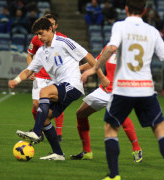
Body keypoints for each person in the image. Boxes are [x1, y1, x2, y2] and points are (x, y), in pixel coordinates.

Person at [81, 0, 164, 179]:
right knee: (160, 129)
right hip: (146, 89)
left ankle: (114, 175)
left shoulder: (120, 26)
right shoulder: (152, 31)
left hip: (123, 89)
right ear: (144, 11)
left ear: (126, 9)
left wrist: (93, 68)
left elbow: (111, 48)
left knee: (111, 128)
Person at [9, 17, 109, 160]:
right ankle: (58, 153)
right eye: (37, 34)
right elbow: (28, 71)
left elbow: (89, 57)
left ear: (50, 29)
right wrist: (16, 80)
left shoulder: (64, 42)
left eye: (41, 33)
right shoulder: (42, 52)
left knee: (44, 92)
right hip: (62, 86)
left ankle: (36, 133)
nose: (39, 37)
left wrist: (102, 77)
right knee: (45, 119)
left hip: (73, 84)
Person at [70, 47, 142, 163]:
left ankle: (137, 149)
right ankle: (87, 152)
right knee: (80, 114)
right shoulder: (109, 48)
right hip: (104, 89)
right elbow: (96, 63)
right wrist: (79, 69)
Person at [27, 14, 66, 142]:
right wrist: (31, 70)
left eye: (51, 23)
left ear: (55, 26)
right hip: (40, 76)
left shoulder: (63, 39)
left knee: (56, 106)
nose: (49, 26)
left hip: (56, 77)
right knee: (35, 104)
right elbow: (30, 55)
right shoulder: (37, 38)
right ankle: (40, 130)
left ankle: (58, 133)